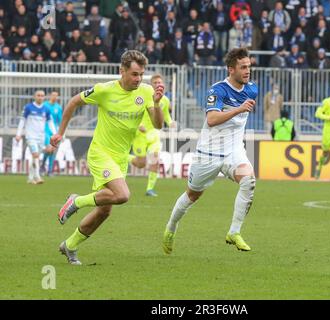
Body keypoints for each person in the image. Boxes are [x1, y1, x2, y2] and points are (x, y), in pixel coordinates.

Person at [50, 50, 164, 265]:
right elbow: (74, 102)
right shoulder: (104, 90)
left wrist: (157, 104)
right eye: (134, 74)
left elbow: (158, 125)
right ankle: (77, 201)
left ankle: (70, 245)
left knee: (104, 211)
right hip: (100, 152)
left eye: (141, 74)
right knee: (122, 195)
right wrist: (60, 133)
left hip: (121, 157)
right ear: (121, 71)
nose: (138, 79)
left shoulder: (147, 92)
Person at [163, 47, 258, 254]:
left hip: (234, 151)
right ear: (231, 69)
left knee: (249, 181)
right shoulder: (218, 90)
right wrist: (239, 109)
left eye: (249, 66)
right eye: (243, 67)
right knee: (192, 195)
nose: (247, 71)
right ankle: (171, 226)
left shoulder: (252, 89)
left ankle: (234, 231)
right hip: (209, 153)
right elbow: (212, 120)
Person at [129, 74, 176, 197]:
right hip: (140, 134)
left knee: (155, 160)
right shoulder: (143, 97)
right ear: (151, 85)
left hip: (153, 133)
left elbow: (165, 115)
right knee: (141, 164)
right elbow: (133, 113)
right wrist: (138, 125)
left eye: (159, 82)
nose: (157, 85)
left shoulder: (165, 100)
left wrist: (170, 122)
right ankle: (125, 157)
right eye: (155, 83)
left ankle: (150, 189)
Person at [16, 90, 56, 184]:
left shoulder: (46, 109)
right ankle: (37, 177)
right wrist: (18, 134)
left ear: (44, 97)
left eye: (42, 96)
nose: (40, 97)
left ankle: (30, 178)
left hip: (41, 137)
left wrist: (55, 134)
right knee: (35, 155)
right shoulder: (28, 107)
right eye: (38, 95)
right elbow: (22, 121)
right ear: (34, 96)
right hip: (30, 136)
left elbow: (50, 123)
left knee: (35, 157)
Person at [41, 91, 62, 176]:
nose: (54, 97)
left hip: (55, 130)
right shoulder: (45, 105)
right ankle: (42, 166)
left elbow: (60, 121)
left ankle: (49, 170)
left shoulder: (58, 107)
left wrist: (62, 133)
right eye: (53, 95)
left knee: (53, 150)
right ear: (50, 96)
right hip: (45, 129)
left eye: (56, 96)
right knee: (48, 149)